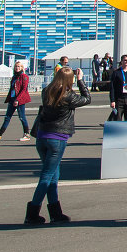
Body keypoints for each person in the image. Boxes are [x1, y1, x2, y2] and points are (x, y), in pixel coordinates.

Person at [24, 66, 91, 224]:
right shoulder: (67, 96)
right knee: (47, 176)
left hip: (42, 136)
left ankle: (55, 211)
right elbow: (87, 98)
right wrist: (81, 80)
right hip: (57, 137)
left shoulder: (47, 91)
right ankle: (33, 211)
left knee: (53, 175)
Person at [0, 60, 32, 142]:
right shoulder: (14, 77)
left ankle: (27, 134)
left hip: (20, 100)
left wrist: (18, 99)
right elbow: (12, 89)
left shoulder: (24, 77)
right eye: (16, 66)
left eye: (19, 66)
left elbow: (24, 90)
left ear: (22, 68)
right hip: (12, 100)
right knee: (7, 118)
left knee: (22, 117)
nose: (17, 68)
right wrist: (10, 99)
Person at [110, 55, 127, 121]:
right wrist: (112, 100)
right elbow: (112, 88)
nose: (126, 62)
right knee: (117, 117)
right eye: (125, 60)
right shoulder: (116, 73)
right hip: (119, 99)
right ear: (121, 61)